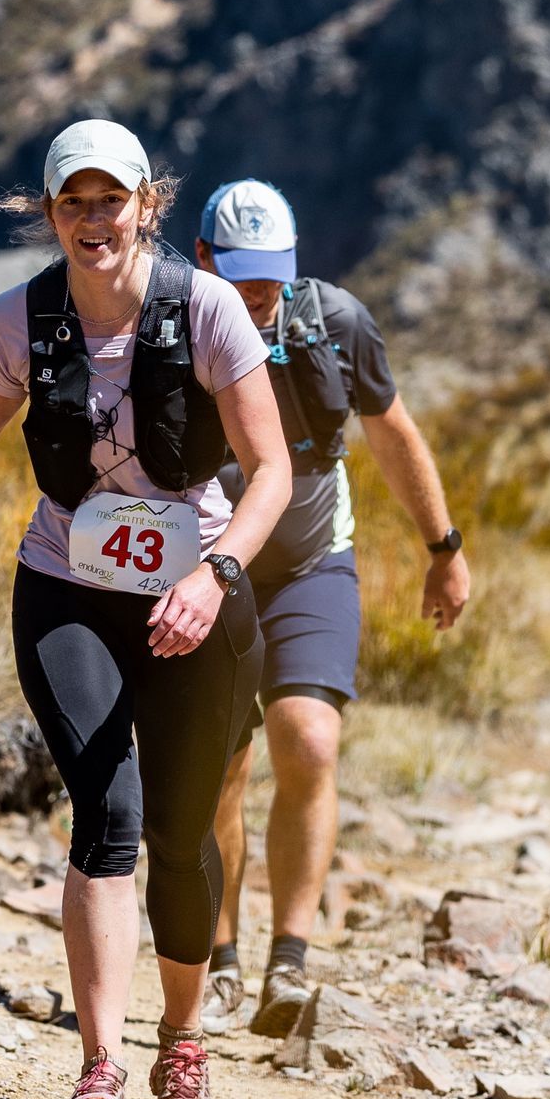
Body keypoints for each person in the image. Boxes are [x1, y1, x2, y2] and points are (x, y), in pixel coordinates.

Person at [0, 121, 291, 1099]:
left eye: (113, 201)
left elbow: (270, 469)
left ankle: (183, 1045)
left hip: (195, 600)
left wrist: (217, 571)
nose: (94, 220)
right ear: (48, 214)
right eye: (74, 203)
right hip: (65, 588)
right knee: (107, 806)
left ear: (148, 204)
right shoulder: (18, 321)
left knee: (184, 831)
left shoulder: (206, 315)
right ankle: (98, 1066)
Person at [193, 179, 470, 1035]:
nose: (257, 291)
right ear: (204, 260)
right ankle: (221, 954)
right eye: (239, 273)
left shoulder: (337, 324)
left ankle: (289, 958)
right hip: (212, 570)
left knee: (308, 740)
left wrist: (444, 548)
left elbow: (392, 433)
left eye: (271, 274)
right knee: (220, 768)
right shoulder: (179, 324)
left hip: (315, 564)